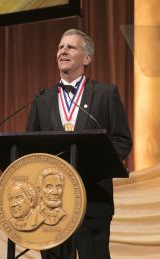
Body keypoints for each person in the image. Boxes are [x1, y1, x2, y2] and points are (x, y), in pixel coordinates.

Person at [26, 29, 132, 259]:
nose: (63, 51)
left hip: (93, 200)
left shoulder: (106, 93)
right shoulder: (41, 99)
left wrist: (96, 163)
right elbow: (29, 146)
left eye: (70, 47)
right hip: (51, 205)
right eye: (60, 47)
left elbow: (122, 141)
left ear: (87, 58)